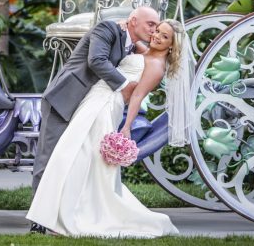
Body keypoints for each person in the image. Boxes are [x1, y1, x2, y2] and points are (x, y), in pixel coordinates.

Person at [27, 19, 192, 238]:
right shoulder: (144, 49)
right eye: (157, 31)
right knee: (71, 153)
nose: (156, 36)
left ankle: (70, 214)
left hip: (106, 104)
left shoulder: (156, 66)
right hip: (94, 97)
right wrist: (123, 24)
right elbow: (129, 41)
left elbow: (137, 96)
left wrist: (126, 127)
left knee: (79, 154)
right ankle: (56, 213)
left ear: (172, 45)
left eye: (164, 36)